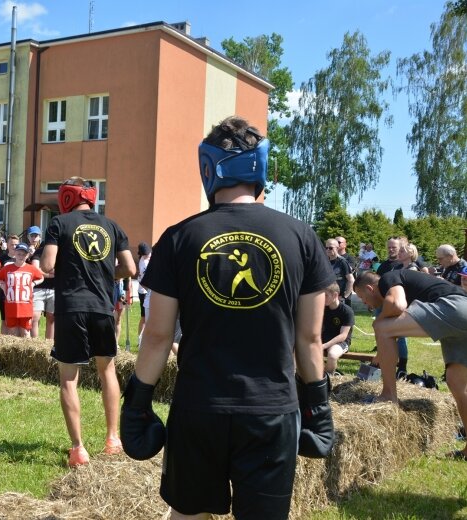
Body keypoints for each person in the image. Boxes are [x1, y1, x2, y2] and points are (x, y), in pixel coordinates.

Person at [122, 116, 335, 519]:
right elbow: (308, 339)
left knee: (189, 515)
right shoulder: (300, 236)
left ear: (209, 166)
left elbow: (157, 336)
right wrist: (318, 404)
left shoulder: (179, 237)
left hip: (199, 407)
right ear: (260, 167)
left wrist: (139, 402)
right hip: (272, 410)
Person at [39, 176, 136, 467]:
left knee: (69, 378)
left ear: (67, 197)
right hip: (104, 308)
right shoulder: (112, 226)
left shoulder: (59, 223)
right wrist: (106, 275)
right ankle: (113, 439)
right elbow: (130, 268)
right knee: (107, 370)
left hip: (72, 307)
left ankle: (78, 449)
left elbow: (46, 265)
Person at [353, 270, 467, 460]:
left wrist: (379, 323)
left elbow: (397, 304)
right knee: (459, 385)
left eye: (362, 297)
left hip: (453, 307)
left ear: (369, 288)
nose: (364, 303)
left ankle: (389, 395)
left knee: (382, 327)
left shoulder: (388, 279)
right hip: (465, 311)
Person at [0, 243, 44, 338]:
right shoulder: (7, 268)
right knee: (13, 332)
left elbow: (41, 277)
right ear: (15, 253)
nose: (21, 256)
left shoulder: (31, 268)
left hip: (26, 306)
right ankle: (14, 352)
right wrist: (2, 285)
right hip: (11, 305)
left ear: (27, 255)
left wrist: (33, 284)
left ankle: (26, 352)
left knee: (25, 332)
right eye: (19, 254)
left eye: (24, 254)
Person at [321, 282, 354, 375]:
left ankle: (329, 378)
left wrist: (325, 345)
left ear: (335, 295)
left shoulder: (347, 311)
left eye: (325, 295)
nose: (322, 298)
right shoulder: (322, 308)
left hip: (341, 343)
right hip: (324, 340)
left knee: (332, 355)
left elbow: (343, 336)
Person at [325, 238, 354, 303]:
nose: (328, 250)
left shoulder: (342, 262)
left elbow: (351, 280)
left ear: (337, 248)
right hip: (328, 298)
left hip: (339, 299)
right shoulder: (325, 261)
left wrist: (344, 296)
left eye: (330, 248)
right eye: (326, 248)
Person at [136, 242, 152, 335]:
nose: (150, 254)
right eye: (148, 253)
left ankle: (140, 338)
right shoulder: (144, 263)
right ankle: (140, 338)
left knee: (144, 317)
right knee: (144, 317)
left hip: (144, 290)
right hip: (144, 292)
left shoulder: (145, 259)